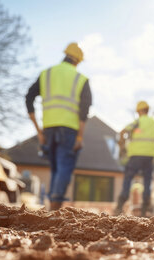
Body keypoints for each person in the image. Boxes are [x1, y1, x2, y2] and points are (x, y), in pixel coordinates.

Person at [25, 42, 92, 210]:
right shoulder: (80, 79)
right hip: (68, 129)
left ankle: (51, 207)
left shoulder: (46, 74)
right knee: (64, 168)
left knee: (55, 168)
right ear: (78, 61)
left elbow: (28, 98)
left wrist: (38, 131)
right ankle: (54, 207)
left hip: (48, 129)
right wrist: (80, 136)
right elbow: (84, 112)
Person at [115, 101, 154, 217]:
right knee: (147, 180)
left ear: (139, 111)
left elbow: (123, 131)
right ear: (148, 110)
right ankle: (145, 207)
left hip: (135, 155)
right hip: (149, 156)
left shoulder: (138, 121)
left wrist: (121, 145)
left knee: (128, 177)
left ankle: (120, 204)